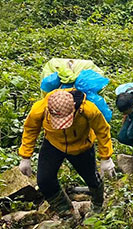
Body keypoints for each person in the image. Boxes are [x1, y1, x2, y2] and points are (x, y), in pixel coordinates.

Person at [18, 88, 114, 217]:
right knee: (44, 180)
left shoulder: (88, 110)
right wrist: (25, 156)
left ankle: (97, 205)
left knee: (92, 179)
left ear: (74, 106)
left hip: (81, 145)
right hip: (53, 143)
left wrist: (106, 158)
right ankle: (66, 212)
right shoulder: (39, 109)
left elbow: (102, 131)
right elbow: (30, 129)